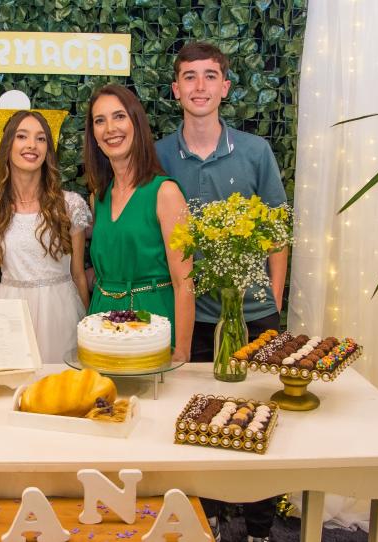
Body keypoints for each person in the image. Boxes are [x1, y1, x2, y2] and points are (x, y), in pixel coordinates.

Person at [155, 41, 288, 542]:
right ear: (176, 90)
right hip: (194, 316)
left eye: (210, 76)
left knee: (257, 419)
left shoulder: (256, 151)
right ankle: (205, 516)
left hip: (254, 315)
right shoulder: (162, 155)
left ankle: (257, 525)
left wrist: (272, 299)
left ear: (225, 87)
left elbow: (277, 231)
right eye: (190, 77)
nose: (200, 86)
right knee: (197, 419)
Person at [84, 84, 194, 363]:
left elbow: (185, 284)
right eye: (100, 120)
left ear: (136, 123)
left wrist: (181, 352)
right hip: (103, 325)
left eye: (119, 116)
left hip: (153, 323)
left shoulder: (166, 193)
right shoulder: (98, 197)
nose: (110, 128)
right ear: (94, 135)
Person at [0, 111, 91, 363]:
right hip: (8, 312)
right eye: (22, 136)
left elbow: (78, 274)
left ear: (48, 150)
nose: (31, 145)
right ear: (8, 146)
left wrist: (88, 327)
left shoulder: (70, 205)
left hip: (59, 310)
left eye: (40, 139)